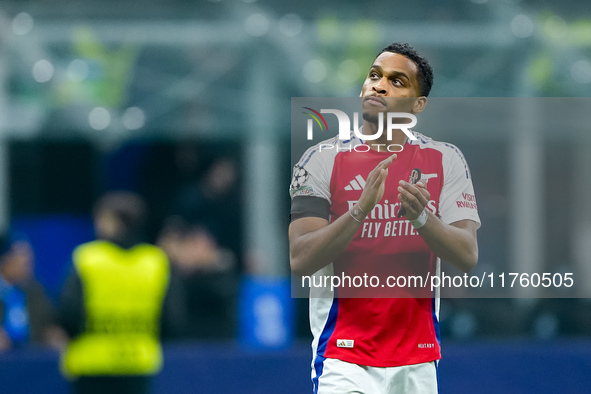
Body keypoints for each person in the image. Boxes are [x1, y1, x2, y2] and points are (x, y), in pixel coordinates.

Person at [289, 43, 481, 393]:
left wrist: (423, 218)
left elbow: (467, 255)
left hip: (418, 361)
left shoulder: (446, 159)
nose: (378, 86)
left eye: (397, 81)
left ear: (417, 104)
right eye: (374, 76)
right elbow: (300, 258)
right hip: (343, 358)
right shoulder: (318, 160)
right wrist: (359, 210)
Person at [59, 191, 179, 394]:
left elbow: (69, 314)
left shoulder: (87, 258)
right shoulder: (156, 262)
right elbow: (172, 320)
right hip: (139, 362)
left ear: (114, 221)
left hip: (91, 363)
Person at [0, 235, 66, 352]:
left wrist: (54, 334)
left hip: (31, 358)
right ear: (5, 260)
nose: (29, 264)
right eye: (23, 258)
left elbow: (49, 322)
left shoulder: (36, 290)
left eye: (30, 259)